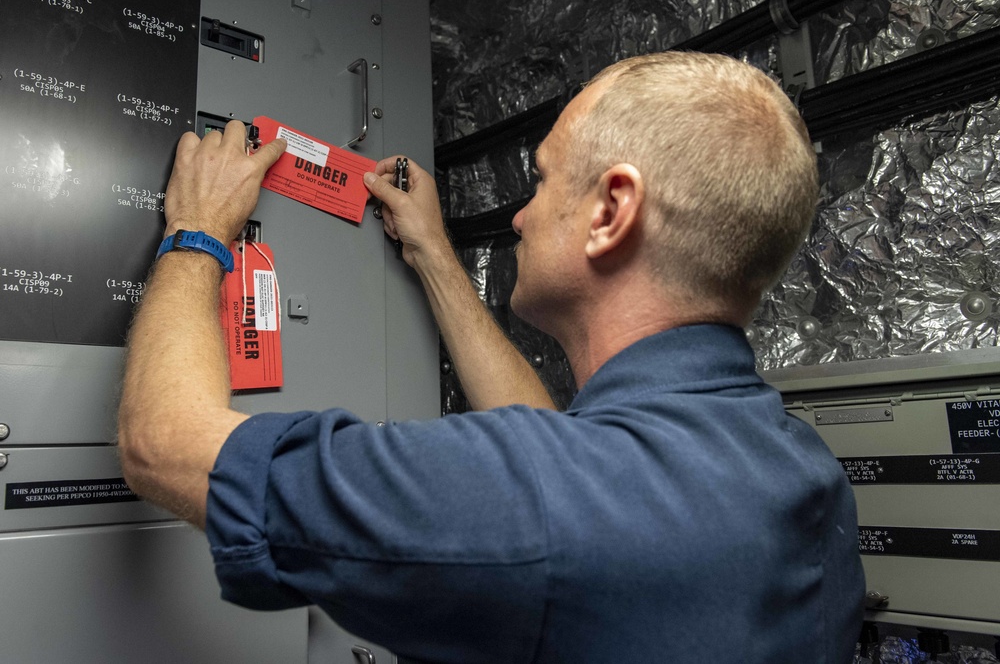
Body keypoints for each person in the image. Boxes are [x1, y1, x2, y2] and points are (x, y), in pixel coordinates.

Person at [118, 51, 864, 663]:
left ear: (610, 212)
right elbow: (563, 469)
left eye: (540, 180)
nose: (518, 214)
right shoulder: (801, 471)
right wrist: (435, 255)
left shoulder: (537, 505)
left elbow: (163, 444)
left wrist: (200, 230)